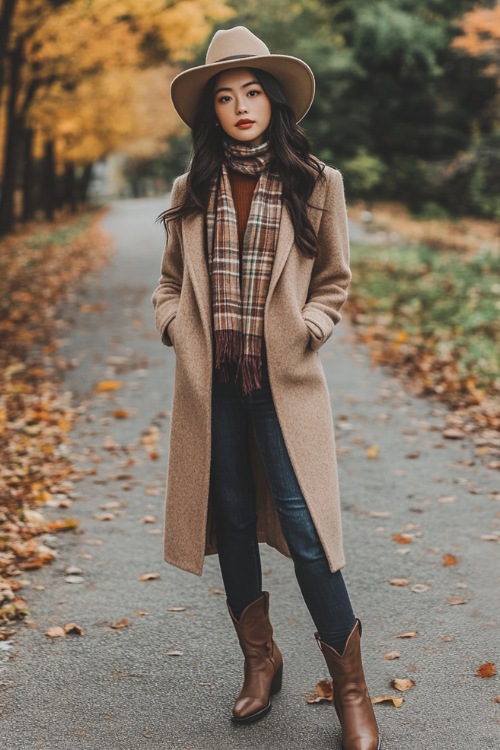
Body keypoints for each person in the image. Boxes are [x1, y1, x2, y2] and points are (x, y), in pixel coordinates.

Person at [152, 26, 380, 750]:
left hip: (282, 380)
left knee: (308, 531)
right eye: (225, 97)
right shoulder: (192, 190)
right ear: (210, 114)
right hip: (212, 380)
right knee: (231, 512)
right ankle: (261, 662)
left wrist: (310, 325)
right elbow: (168, 284)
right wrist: (174, 326)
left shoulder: (317, 182)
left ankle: (351, 691)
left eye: (252, 92)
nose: (240, 106)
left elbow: (334, 281)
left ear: (273, 102)